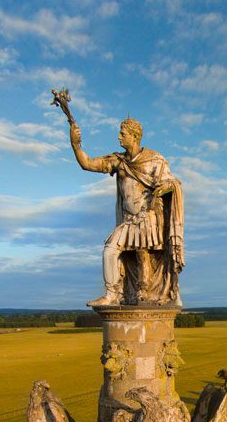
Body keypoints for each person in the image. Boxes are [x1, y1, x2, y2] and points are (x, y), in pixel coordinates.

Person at [69, 117, 185, 307]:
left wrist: (164, 188)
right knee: (110, 249)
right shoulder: (119, 161)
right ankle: (111, 294)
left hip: (148, 218)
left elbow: (173, 183)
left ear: (134, 136)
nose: (119, 137)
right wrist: (75, 145)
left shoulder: (154, 160)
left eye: (123, 134)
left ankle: (144, 293)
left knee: (143, 254)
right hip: (128, 220)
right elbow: (87, 163)